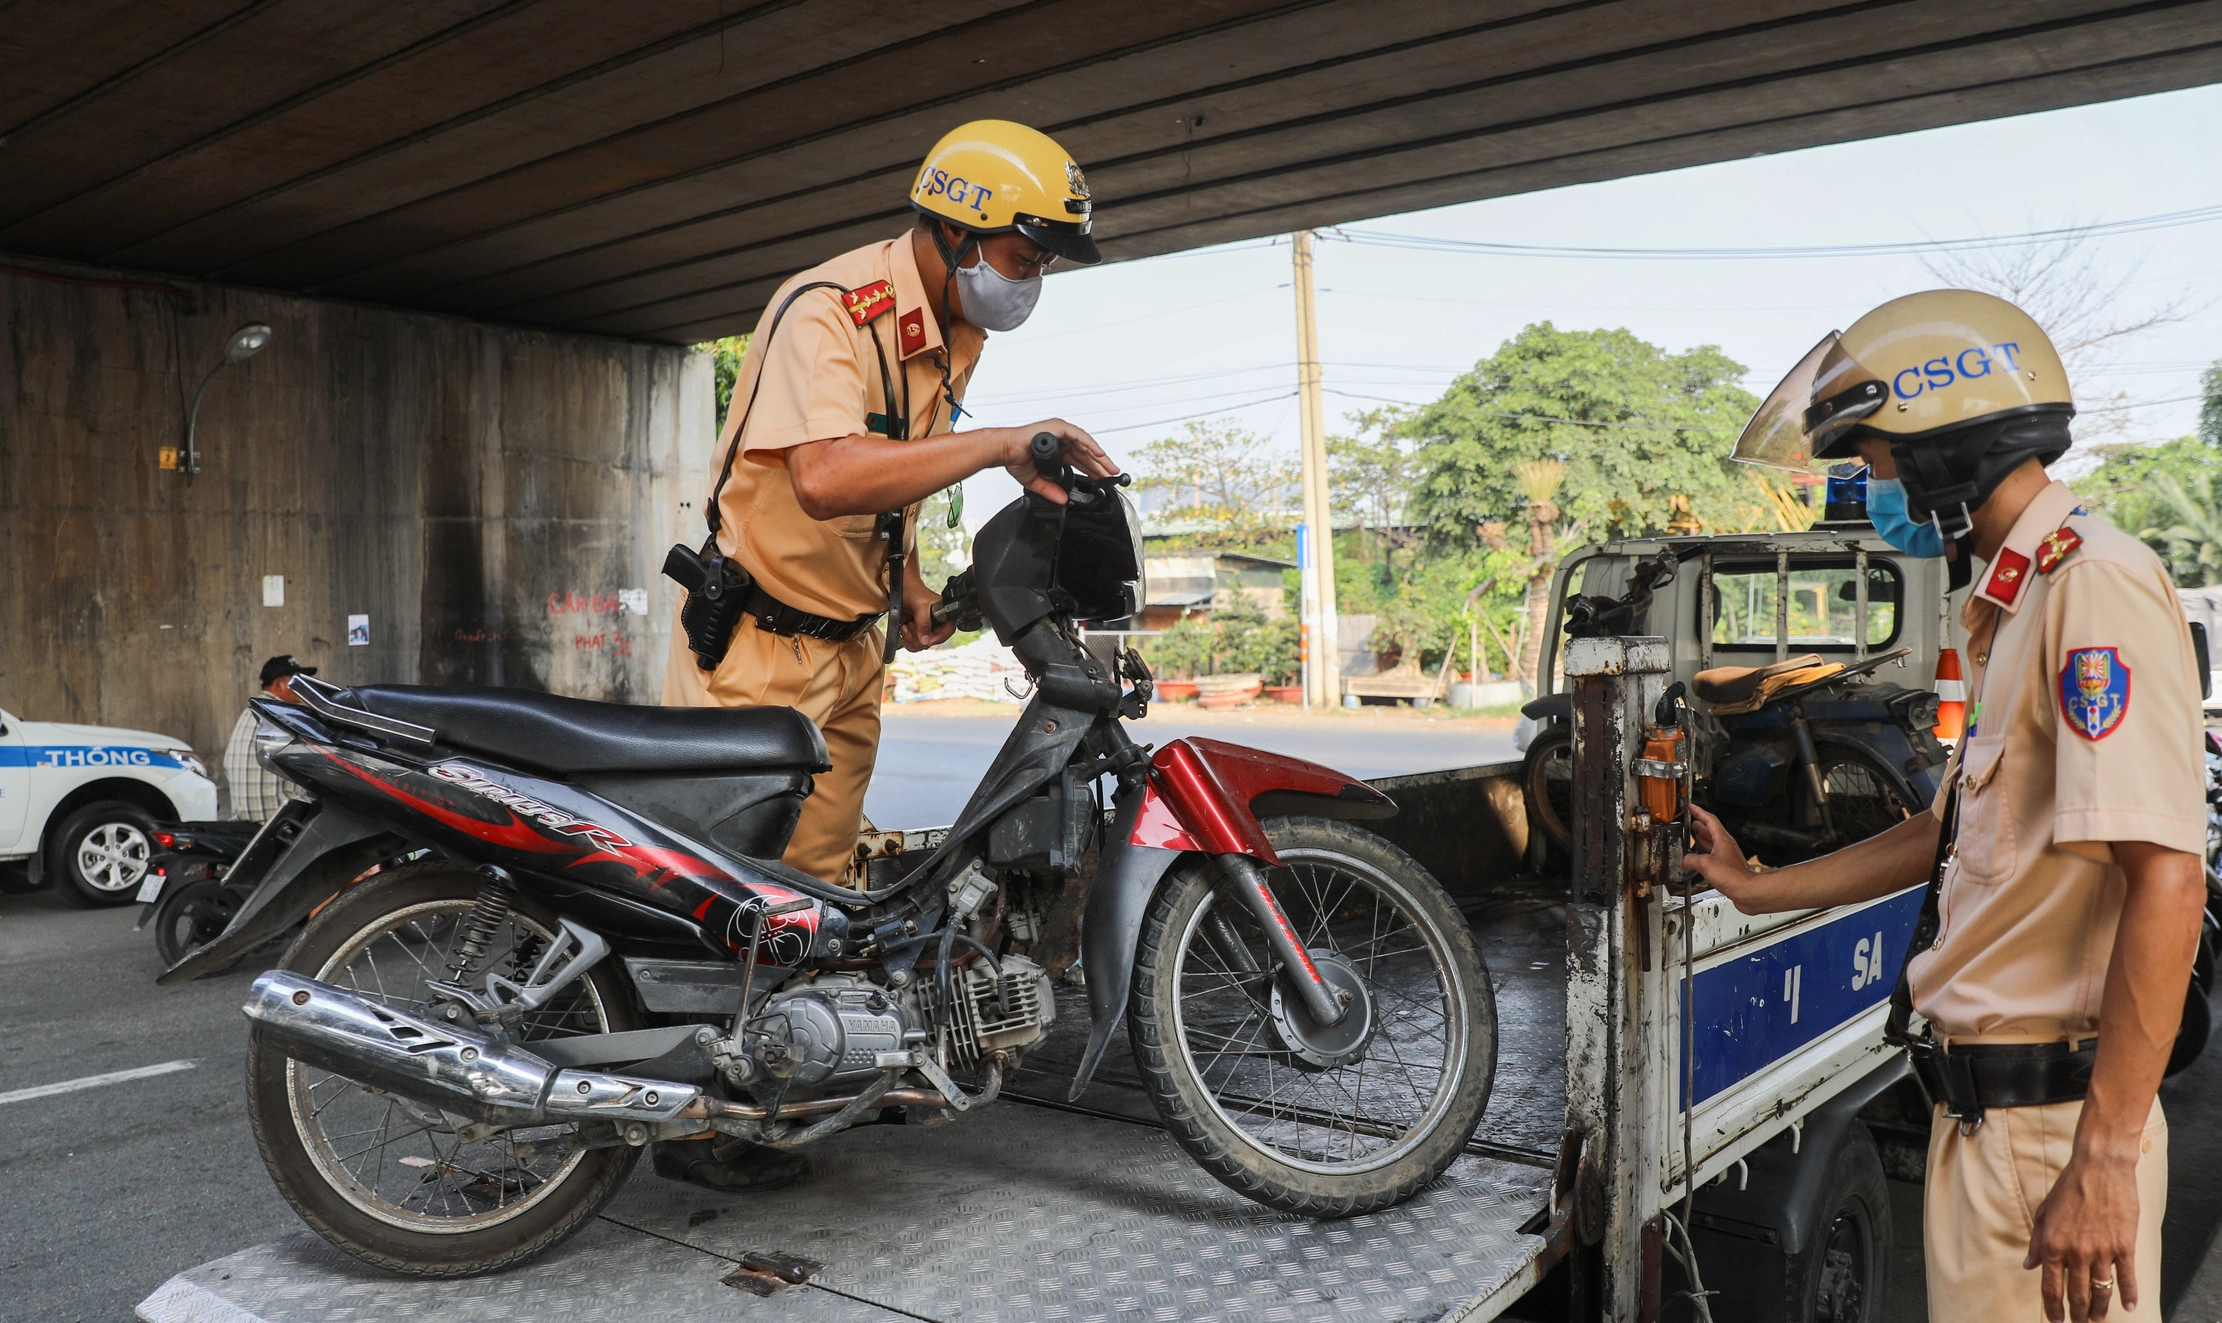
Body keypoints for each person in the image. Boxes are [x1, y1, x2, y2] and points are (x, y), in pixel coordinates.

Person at [1704, 290, 2207, 1323]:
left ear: (1944, 450)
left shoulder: (2090, 588)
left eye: (1871, 462)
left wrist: (2102, 1155)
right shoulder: (2012, 601)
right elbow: (1949, 837)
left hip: (2048, 1127)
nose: (1865, 489)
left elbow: (2166, 873)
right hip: (1993, 1121)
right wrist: (1755, 892)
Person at [654, 120, 1119, 1193]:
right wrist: (1003, 442)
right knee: (734, 900)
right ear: (959, 230)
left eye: (1042, 261)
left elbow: (896, 473)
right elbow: (822, 475)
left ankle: (770, 1098)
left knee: (811, 902)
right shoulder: (829, 312)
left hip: (851, 651)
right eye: (1023, 254)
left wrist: (908, 589)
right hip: (758, 651)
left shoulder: (952, 325)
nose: (1030, 280)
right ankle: (690, 1125)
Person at [220, 655, 314, 821]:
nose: (305, 687)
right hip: (278, 820)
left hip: (244, 818)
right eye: (298, 682)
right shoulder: (283, 715)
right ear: (279, 685)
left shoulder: (250, 711)